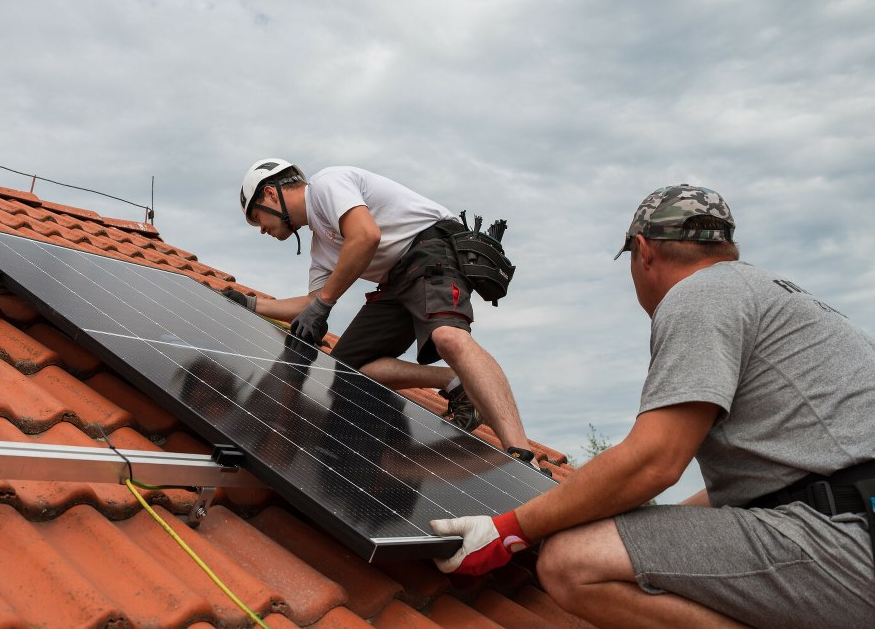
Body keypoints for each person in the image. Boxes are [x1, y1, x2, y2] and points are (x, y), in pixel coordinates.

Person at [429, 185, 875, 628]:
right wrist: (593, 509)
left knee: (573, 560)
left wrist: (510, 529)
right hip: (850, 520)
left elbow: (654, 461)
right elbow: (739, 495)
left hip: (844, 543)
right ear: (726, 246)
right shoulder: (776, 295)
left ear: (643, 251)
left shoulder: (701, 294)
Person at [227, 159, 542, 467]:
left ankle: (520, 453)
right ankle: (453, 381)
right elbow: (310, 303)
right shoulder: (321, 249)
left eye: (257, 218)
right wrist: (250, 304)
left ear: (270, 193)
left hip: (430, 249)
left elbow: (366, 236)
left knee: (447, 337)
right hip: (395, 281)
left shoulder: (326, 184)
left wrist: (323, 304)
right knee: (348, 368)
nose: (261, 230)